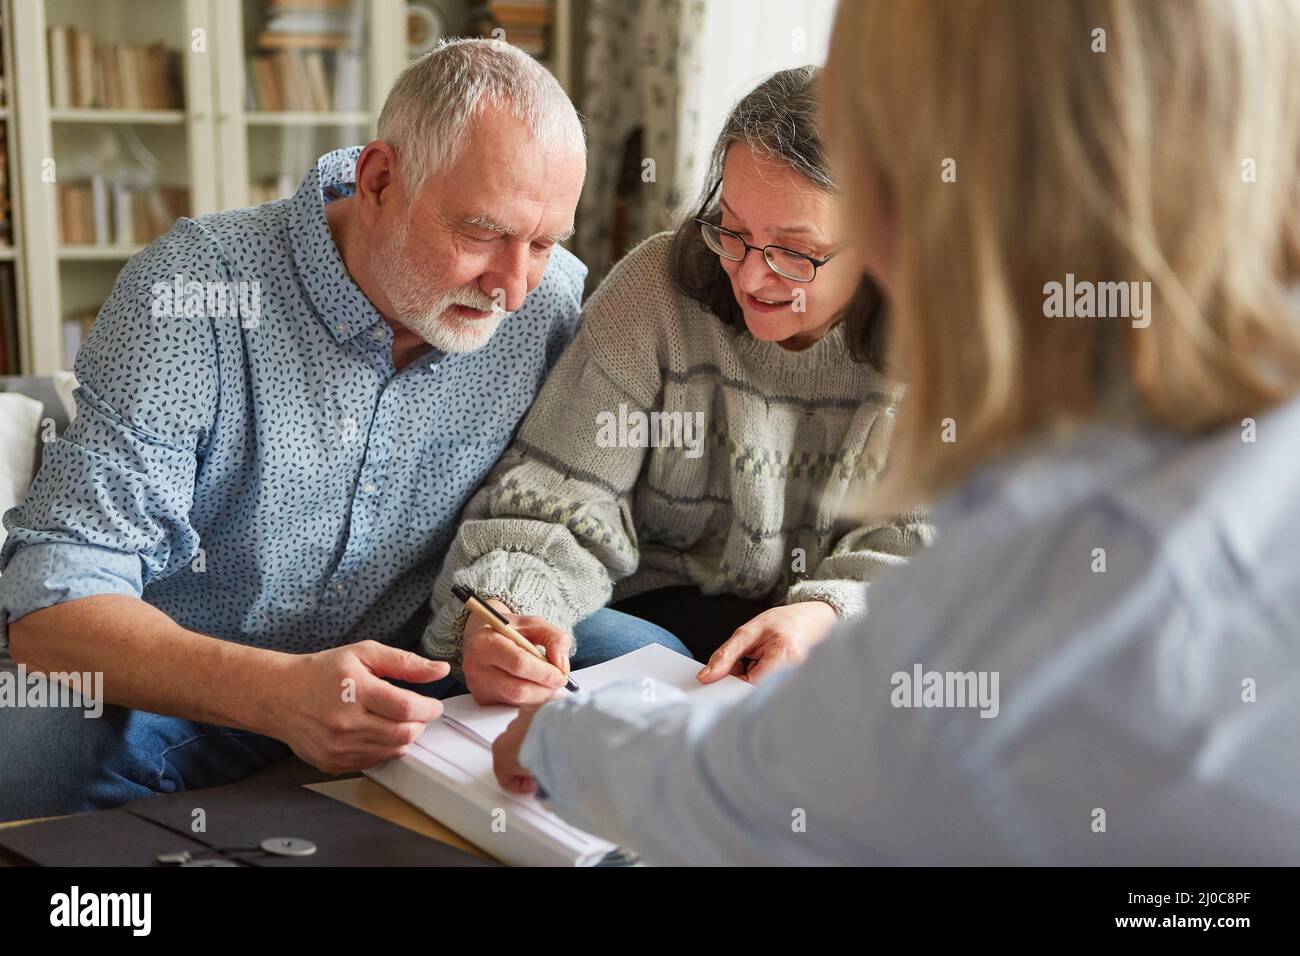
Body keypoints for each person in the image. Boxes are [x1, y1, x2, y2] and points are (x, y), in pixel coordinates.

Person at [490, 0, 1300, 864]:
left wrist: (563, 741)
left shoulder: (1058, 537)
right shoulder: (1161, 447)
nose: (758, 274)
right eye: (735, 231)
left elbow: (790, 780)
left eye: (809, 243)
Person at [0, 38, 590, 821]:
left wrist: (497, 620)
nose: (513, 289)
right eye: (482, 234)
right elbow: (53, 608)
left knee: (635, 669)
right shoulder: (194, 291)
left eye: (544, 243)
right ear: (379, 180)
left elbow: (538, 511)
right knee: (26, 753)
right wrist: (277, 694)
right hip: (192, 692)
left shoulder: (553, 308)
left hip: (418, 670)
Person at [423, 66, 930, 707]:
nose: (749, 277)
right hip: (650, 621)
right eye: (735, 231)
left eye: (794, 252)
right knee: (585, 652)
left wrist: (823, 613)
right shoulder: (656, 290)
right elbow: (562, 491)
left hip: (831, 631)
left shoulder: (939, 334)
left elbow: (923, 542)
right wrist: (511, 605)